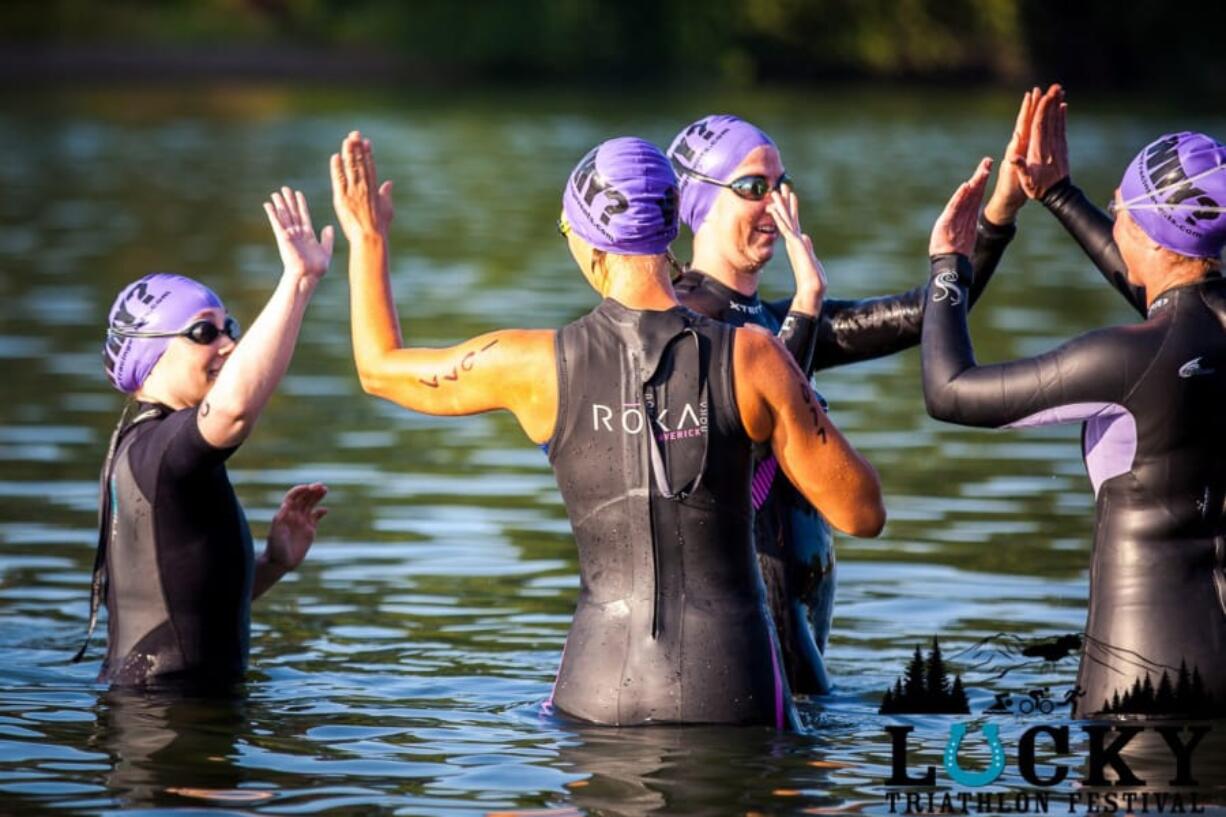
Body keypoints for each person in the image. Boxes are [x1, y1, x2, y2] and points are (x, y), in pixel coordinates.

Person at [331, 130, 884, 727]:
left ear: (590, 245)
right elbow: (863, 513)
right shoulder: (754, 359)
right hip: (735, 686)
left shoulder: (531, 365)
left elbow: (378, 370)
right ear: (674, 232)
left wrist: (367, 239)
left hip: (597, 691)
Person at [664, 103, 1036, 693]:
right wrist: (808, 304)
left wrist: (996, 219)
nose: (777, 204)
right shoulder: (684, 322)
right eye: (753, 187)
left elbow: (925, 315)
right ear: (700, 202)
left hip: (798, 614)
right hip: (752, 616)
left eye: (782, 184)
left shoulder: (770, 319)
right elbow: (750, 421)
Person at [921, 87, 1226, 716]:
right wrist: (1058, 193)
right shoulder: (1199, 330)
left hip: (1143, 676)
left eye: (1118, 207)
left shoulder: (1123, 358)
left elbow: (949, 392)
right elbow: (1171, 300)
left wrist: (948, 266)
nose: (1114, 219)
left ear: (1143, 227)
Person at [78, 187, 333, 689]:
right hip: (166, 726)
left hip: (163, 710)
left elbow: (179, 599)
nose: (229, 344)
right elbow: (235, 411)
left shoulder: (146, 451)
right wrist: (298, 281)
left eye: (228, 328)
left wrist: (273, 564)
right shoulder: (159, 451)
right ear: (148, 354)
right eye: (204, 333)